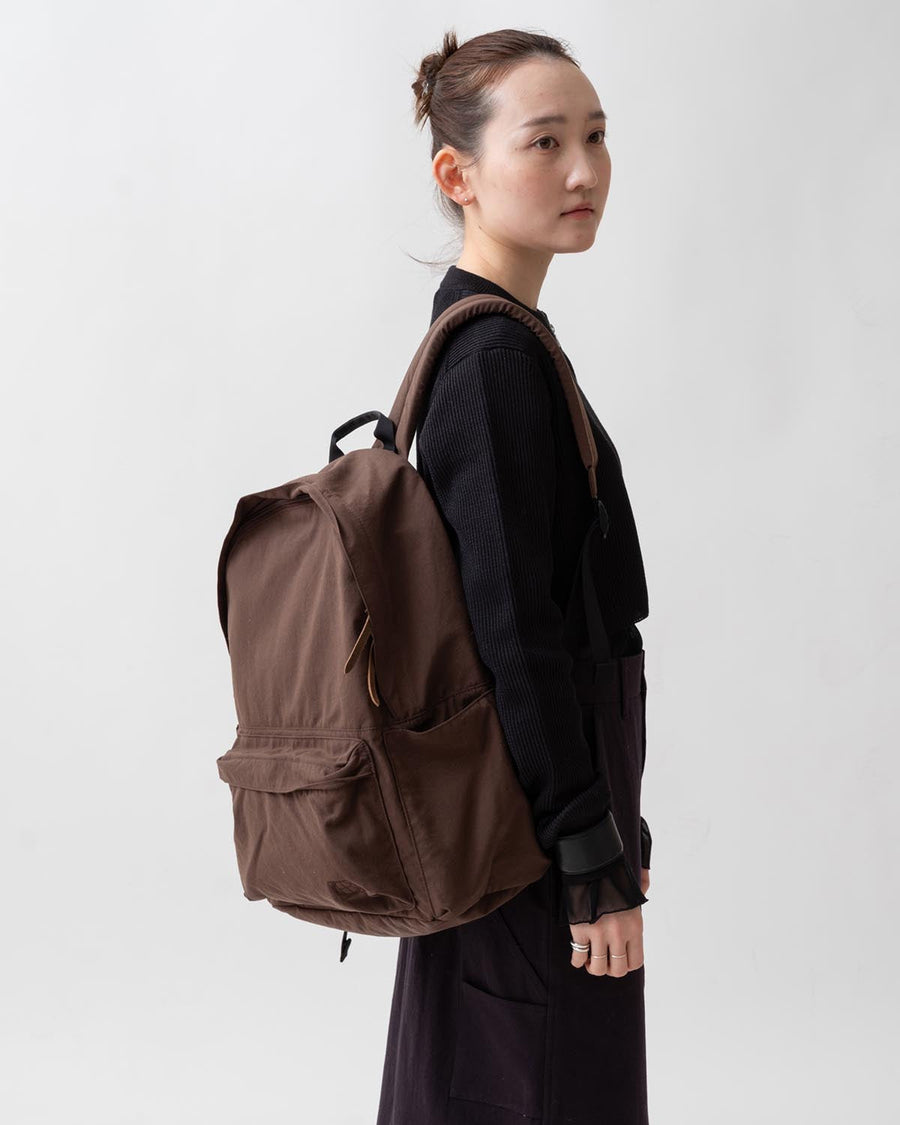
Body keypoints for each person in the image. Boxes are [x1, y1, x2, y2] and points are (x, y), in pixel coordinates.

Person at [377, 27, 654, 1125]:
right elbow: (513, 634)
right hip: (533, 834)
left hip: (524, 816)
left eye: (596, 136)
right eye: (545, 142)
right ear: (459, 176)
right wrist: (589, 851)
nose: (584, 169)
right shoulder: (492, 359)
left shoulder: (504, 339)